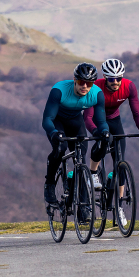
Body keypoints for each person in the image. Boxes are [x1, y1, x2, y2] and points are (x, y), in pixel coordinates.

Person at [83, 57, 139, 227]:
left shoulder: (129, 86)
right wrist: (96, 132)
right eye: (111, 79)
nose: (115, 82)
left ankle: (118, 206)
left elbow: (136, 112)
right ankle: (93, 172)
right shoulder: (96, 87)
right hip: (98, 119)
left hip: (114, 119)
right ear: (105, 78)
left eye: (118, 78)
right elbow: (88, 116)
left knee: (119, 161)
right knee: (103, 142)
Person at [42, 63, 110, 215]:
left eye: (89, 83)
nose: (85, 86)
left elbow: (101, 121)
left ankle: (84, 205)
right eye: (81, 82)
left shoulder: (97, 94)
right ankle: (50, 183)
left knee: (81, 161)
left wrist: (104, 131)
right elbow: (47, 118)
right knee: (60, 149)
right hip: (56, 121)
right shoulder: (59, 90)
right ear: (74, 79)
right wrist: (53, 132)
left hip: (75, 121)